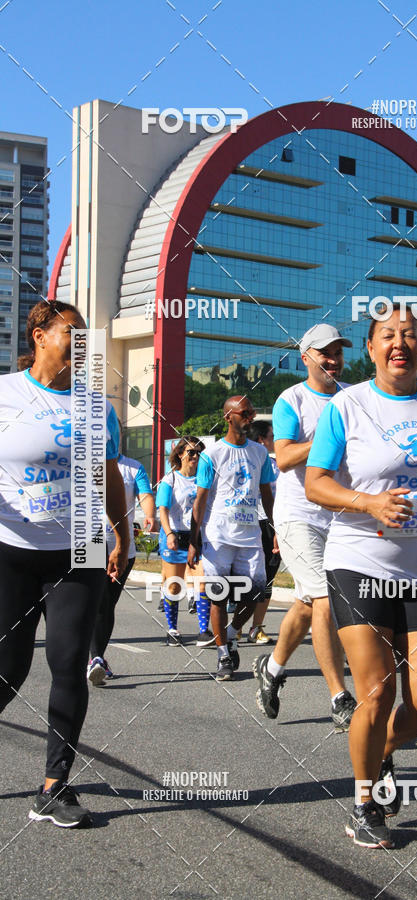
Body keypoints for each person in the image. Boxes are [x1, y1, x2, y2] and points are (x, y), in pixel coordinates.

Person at [305, 303, 417, 849]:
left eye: (411, 334)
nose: (400, 342)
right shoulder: (348, 406)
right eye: (388, 335)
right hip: (359, 562)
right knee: (376, 691)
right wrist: (367, 503)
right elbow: (315, 483)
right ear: (371, 349)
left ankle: (383, 751)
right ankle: (364, 800)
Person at [0, 299, 128, 828]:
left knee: (69, 664)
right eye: (71, 333)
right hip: (11, 549)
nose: (82, 344)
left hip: (80, 549)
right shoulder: (5, 395)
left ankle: (55, 785)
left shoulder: (97, 408)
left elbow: (107, 474)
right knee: (8, 669)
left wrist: (120, 532)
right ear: (39, 334)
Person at [253, 323, 357, 732]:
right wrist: (328, 438)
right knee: (326, 599)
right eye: (324, 353)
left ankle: (273, 669)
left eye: (338, 353)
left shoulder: (353, 398)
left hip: (341, 514)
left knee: (306, 602)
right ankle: (339, 697)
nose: (332, 360)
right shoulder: (290, 400)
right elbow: (283, 457)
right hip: (299, 514)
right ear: (306, 357)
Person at [188, 396, 276, 681]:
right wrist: (194, 538)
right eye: (245, 412)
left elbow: (266, 494)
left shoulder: (259, 453)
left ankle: (228, 632)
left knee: (255, 593)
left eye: (252, 411)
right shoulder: (211, 455)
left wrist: (274, 530)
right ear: (228, 417)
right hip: (218, 537)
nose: (250, 416)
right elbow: (200, 499)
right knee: (218, 597)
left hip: (250, 536)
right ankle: (224, 654)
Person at [88, 449, 156, 684]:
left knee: (107, 604)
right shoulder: (83, 463)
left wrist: (149, 514)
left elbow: (145, 494)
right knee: (98, 601)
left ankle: (96, 656)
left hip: (122, 545)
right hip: (90, 541)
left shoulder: (133, 467)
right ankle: (95, 658)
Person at [156, 436, 207, 646]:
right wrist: (168, 534)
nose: (195, 456)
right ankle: (173, 629)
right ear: (180, 454)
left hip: (197, 537)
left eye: (199, 453)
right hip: (175, 536)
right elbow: (163, 510)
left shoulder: (204, 479)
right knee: (174, 586)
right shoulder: (171, 480)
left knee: (203, 582)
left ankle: (204, 631)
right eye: (191, 452)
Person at [245, 420, 280, 644]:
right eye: (271, 436)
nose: (275, 440)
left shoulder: (278, 464)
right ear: (261, 440)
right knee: (247, 576)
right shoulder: (248, 461)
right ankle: (236, 626)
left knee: (268, 577)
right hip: (249, 524)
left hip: (273, 524)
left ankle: (256, 627)